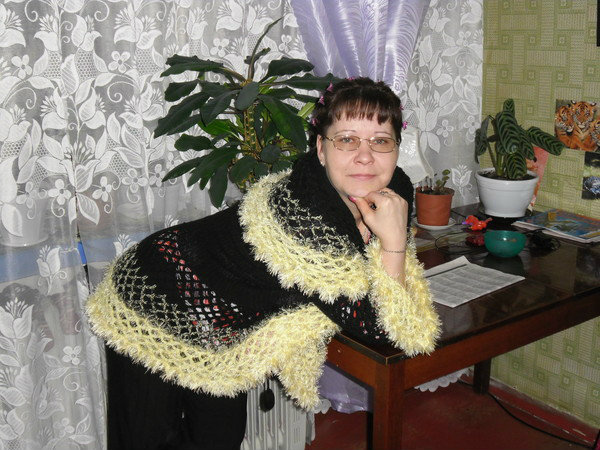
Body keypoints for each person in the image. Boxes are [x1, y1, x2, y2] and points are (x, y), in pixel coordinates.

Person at [86, 77, 440, 450]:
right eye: (347, 140)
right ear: (321, 149)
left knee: (217, 437)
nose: (365, 156)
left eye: (380, 141)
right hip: (153, 288)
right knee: (146, 437)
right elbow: (382, 328)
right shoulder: (304, 218)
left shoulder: (395, 191)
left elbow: (386, 299)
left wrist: (392, 243)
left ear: (396, 149)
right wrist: (394, 242)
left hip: (220, 316)